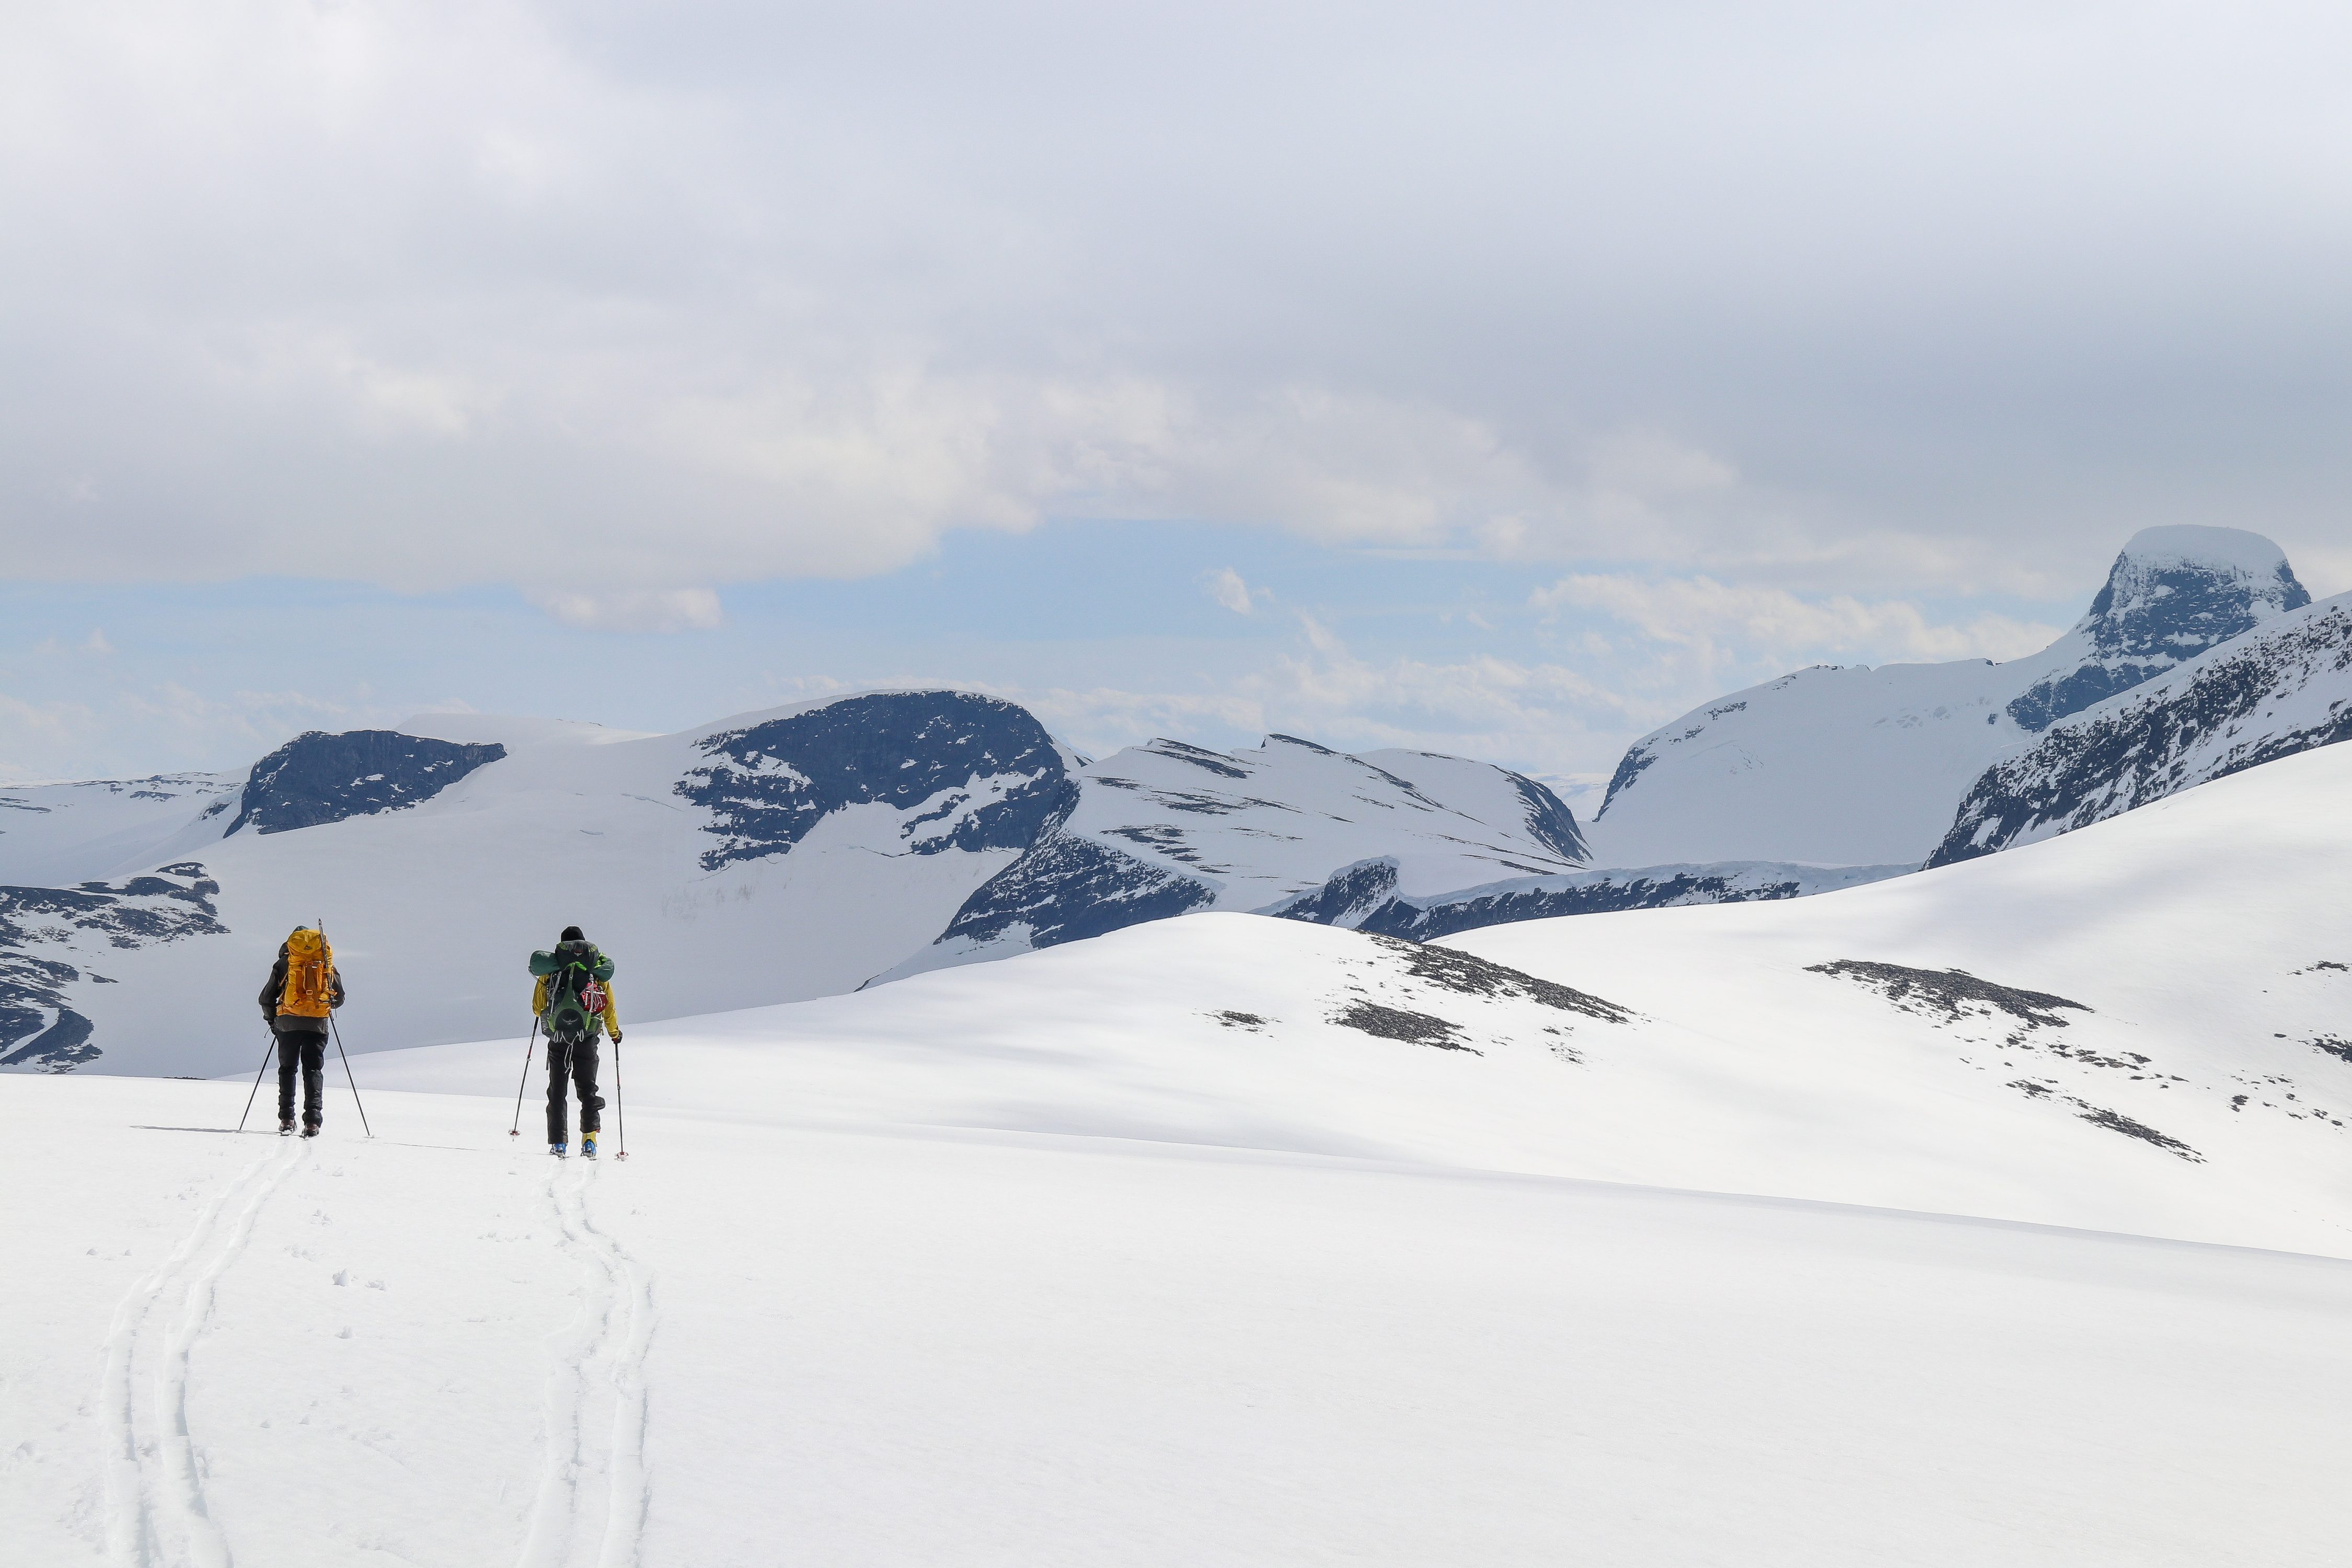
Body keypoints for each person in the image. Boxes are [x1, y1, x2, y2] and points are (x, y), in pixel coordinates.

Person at [529, 925, 621, 1158]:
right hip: (587, 1038)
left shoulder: (551, 970)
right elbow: (607, 1005)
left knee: (557, 1091)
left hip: (559, 1038)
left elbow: (537, 1007)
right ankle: (589, 1141)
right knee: (588, 1090)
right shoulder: (595, 970)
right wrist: (614, 1033)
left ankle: (558, 1143)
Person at [258, 926, 347, 1137]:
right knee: (313, 1071)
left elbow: (266, 999)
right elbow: (340, 997)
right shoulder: (325, 961)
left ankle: (287, 1120)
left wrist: (273, 1021)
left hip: (288, 1024)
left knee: (288, 1069)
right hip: (317, 1024)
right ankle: (312, 1123)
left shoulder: (285, 963)